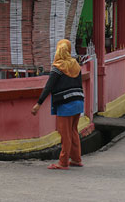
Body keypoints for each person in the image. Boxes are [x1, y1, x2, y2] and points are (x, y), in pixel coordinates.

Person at [31, 39, 85, 170]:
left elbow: (48, 87)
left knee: (64, 133)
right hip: (78, 101)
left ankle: (63, 162)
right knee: (73, 131)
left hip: (65, 104)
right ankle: (77, 159)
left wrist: (38, 104)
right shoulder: (75, 65)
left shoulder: (58, 67)